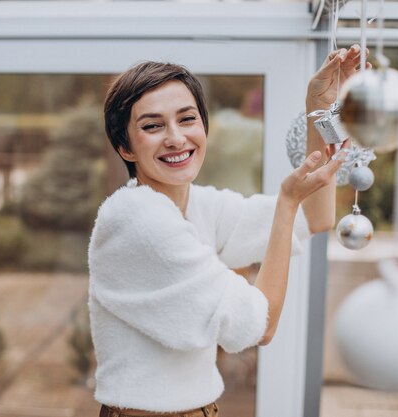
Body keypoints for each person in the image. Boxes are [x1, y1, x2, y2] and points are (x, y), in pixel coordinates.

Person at [88, 45, 366, 417]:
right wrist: (285, 203)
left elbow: (315, 217)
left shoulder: (198, 205)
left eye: (187, 119)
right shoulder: (138, 220)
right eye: (152, 126)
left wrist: (319, 107)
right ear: (125, 146)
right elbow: (260, 326)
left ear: (204, 126)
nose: (175, 138)